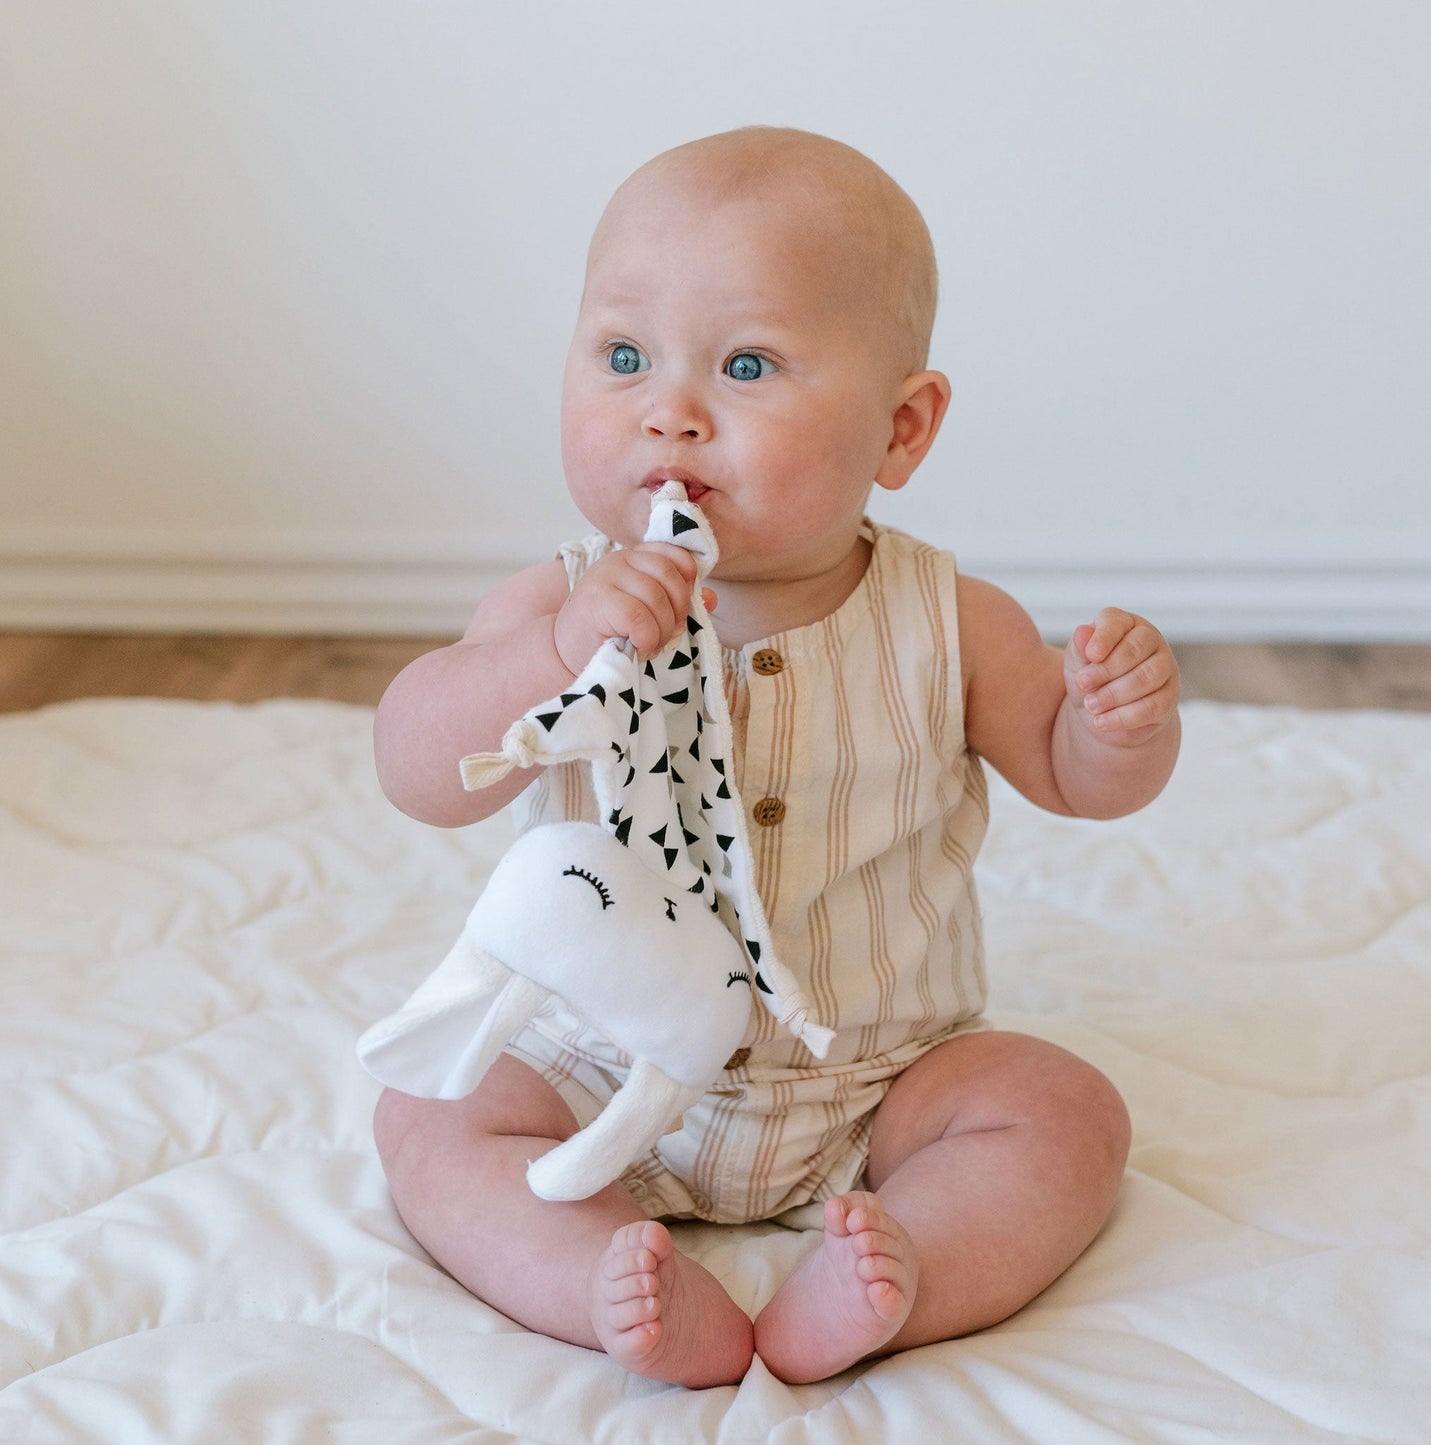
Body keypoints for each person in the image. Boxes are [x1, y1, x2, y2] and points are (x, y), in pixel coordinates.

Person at [369, 126, 1180, 1389]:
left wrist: (1113, 728)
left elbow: (1076, 777)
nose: (669, 411)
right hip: (592, 1065)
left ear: (899, 430)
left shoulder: (947, 620)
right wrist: (551, 657)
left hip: (876, 1076)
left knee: (1066, 1110)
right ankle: (595, 1279)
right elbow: (414, 766)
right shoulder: (556, 604)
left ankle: (894, 1271)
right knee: (428, 1115)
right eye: (623, 355)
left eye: (746, 365)